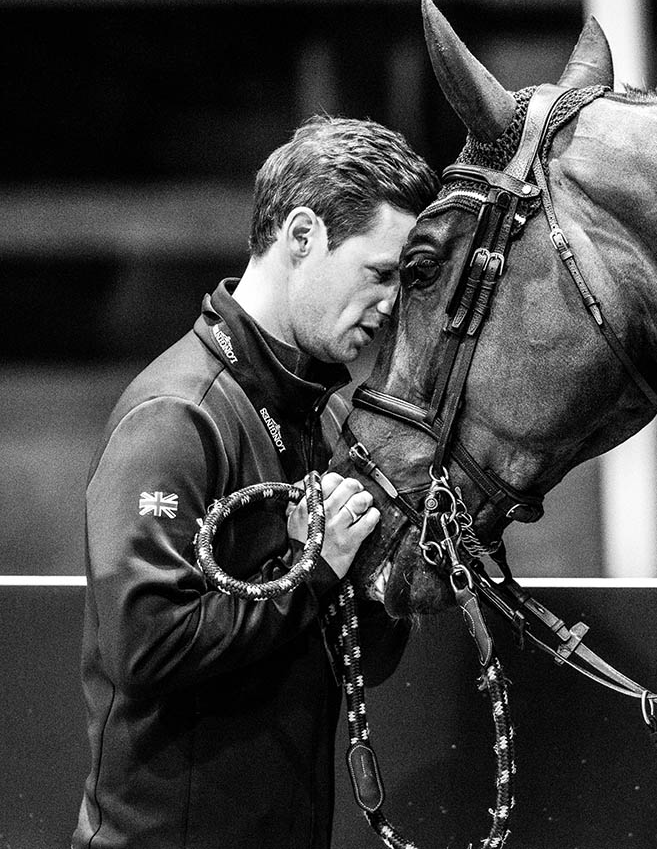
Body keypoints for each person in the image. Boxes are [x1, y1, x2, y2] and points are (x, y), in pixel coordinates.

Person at [73, 116, 438, 849]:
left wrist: (397, 573)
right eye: (380, 273)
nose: (394, 303)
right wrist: (313, 571)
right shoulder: (178, 415)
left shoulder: (328, 415)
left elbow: (354, 652)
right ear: (301, 236)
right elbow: (145, 648)